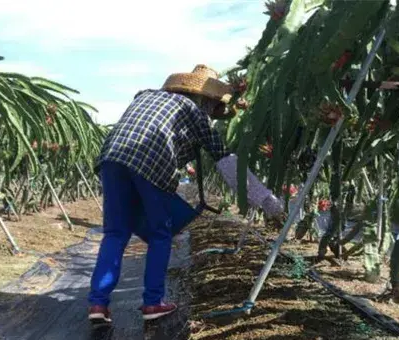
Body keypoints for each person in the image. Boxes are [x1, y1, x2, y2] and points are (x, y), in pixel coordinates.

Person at [88, 65, 283, 325]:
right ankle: (153, 302)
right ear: (207, 100)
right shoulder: (195, 112)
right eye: (215, 109)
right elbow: (227, 162)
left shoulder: (145, 95)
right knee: (161, 233)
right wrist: (267, 201)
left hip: (111, 158)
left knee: (114, 233)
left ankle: (98, 304)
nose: (214, 115)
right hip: (151, 161)